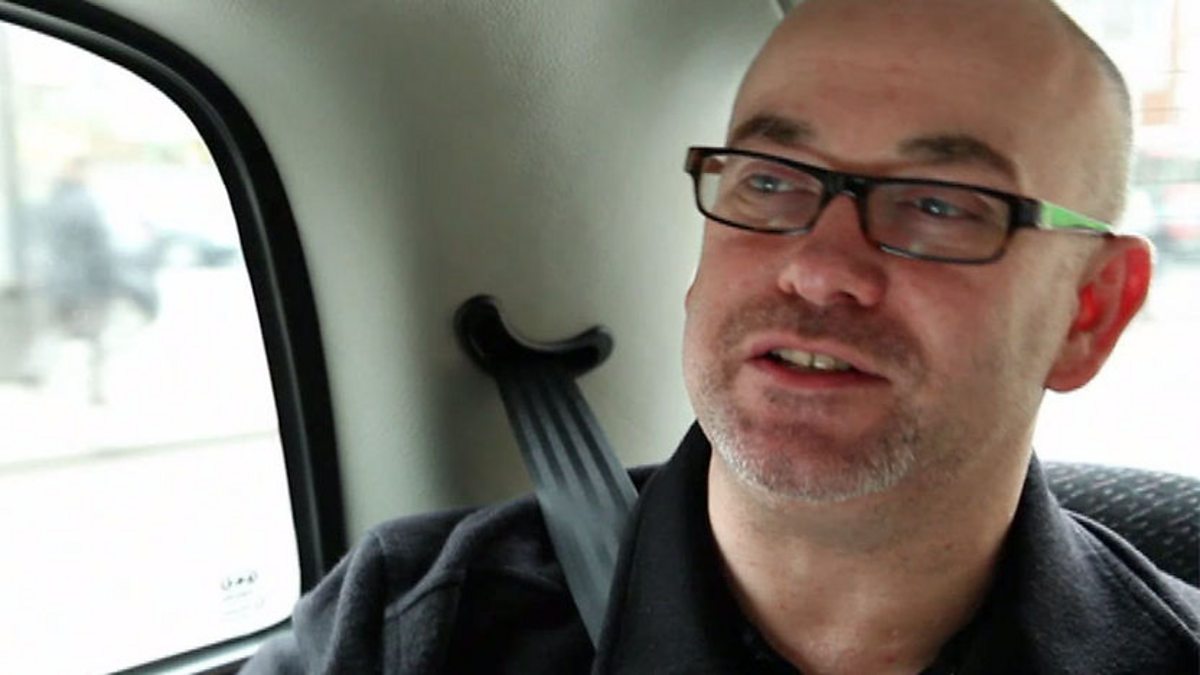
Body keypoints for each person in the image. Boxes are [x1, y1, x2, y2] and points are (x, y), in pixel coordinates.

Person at [243, 0, 1199, 672]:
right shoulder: (404, 630)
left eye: (942, 204)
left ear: (1089, 311)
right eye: (771, 181)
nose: (818, 266)